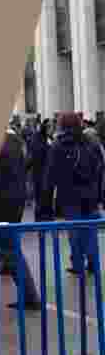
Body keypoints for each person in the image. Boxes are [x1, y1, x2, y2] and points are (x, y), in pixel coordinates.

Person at [0, 129, 40, 308]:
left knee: (8, 250)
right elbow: (26, 163)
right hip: (13, 200)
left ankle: (30, 296)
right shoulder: (15, 140)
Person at [45, 111, 103, 275]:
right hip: (91, 195)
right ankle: (93, 263)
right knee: (91, 231)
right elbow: (99, 169)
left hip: (70, 196)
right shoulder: (91, 142)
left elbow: (51, 175)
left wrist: (46, 203)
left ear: (62, 125)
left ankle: (77, 263)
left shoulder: (58, 145)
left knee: (74, 231)